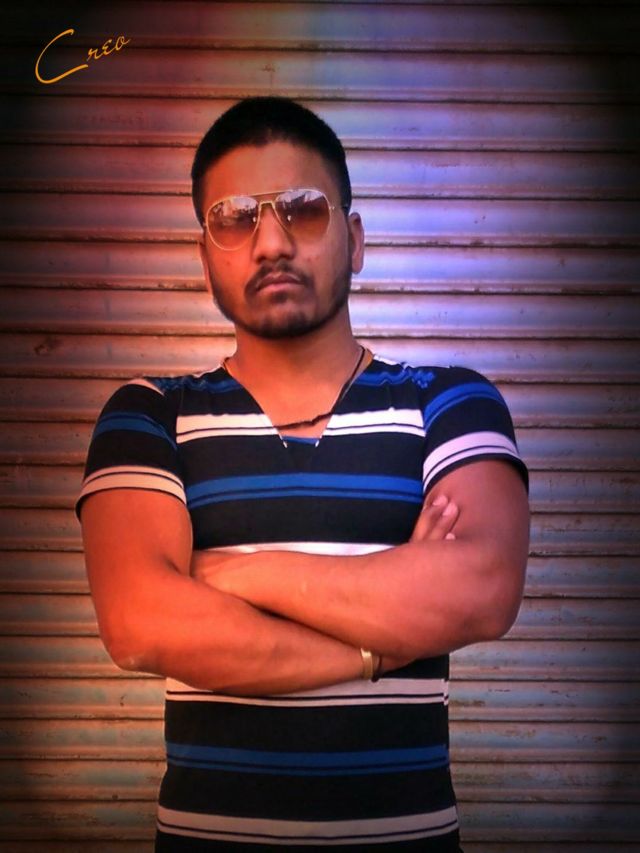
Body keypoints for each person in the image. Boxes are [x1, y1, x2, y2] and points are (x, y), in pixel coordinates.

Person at [78, 96, 530, 851]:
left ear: (356, 239)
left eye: (303, 210)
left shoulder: (448, 401)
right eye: (234, 218)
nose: (271, 242)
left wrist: (227, 574)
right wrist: (379, 644)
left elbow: (480, 589)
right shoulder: (149, 413)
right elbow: (139, 624)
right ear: (205, 257)